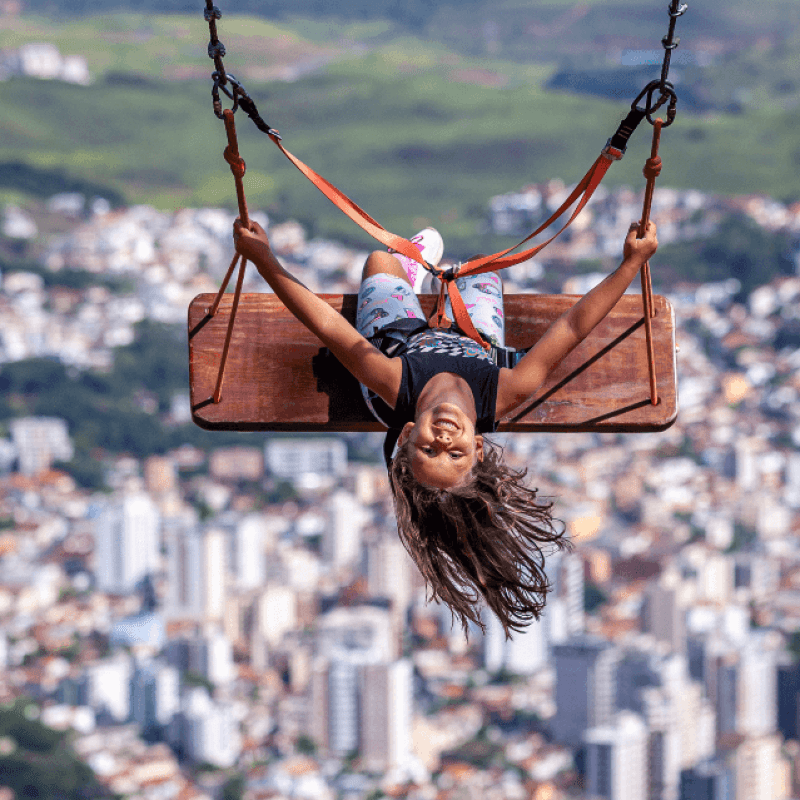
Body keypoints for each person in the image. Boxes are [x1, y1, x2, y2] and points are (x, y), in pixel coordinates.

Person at [233, 218, 658, 636]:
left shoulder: (391, 380)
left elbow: (327, 325)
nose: (443, 439)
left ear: (406, 435)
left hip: (402, 342)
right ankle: (437, 290)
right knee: (480, 266)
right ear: (478, 446)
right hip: (474, 344)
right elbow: (572, 327)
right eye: (456, 453)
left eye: (428, 449)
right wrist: (630, 264)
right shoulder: (507, 388)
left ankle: (410, 275)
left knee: (380, 262)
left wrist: (264, 259)